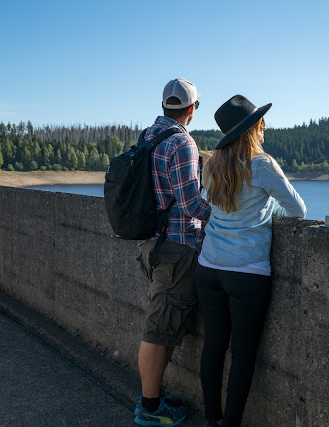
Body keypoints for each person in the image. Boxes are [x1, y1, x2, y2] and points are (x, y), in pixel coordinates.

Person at [196, 95, 306, 426]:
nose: (265, 127)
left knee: (213, 346)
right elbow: (299, 210)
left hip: (209, 267)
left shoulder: (212, 164)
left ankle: (211, 418)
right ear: (253, 128)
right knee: (242, 354)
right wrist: (267, 209)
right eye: (262, 122)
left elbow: (219, 207)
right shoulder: (260, 164)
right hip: (247, 272)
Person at [134, 78, 211, 426]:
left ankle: (155, 398)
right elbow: (192, 204)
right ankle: (150, 409)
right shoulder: (182, 143)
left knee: (163, 326)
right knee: (157, 328)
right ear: (192, 108)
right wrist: (225, 217)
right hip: (177, 247)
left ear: (165, 104)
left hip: (150, 244)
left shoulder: (148, 136)